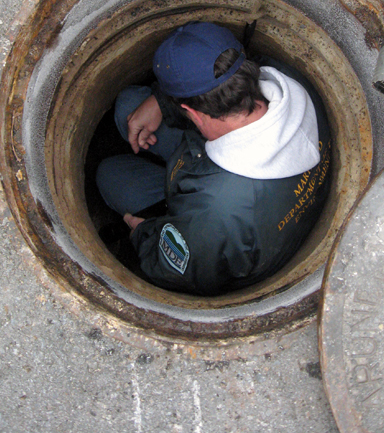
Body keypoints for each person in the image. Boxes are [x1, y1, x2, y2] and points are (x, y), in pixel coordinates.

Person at [96, 21, 331, 296]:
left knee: (109, 176)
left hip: (221, 227)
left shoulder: (215, 217)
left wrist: (143, 234)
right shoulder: (288, 83)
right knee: (129, 105)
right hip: (251, 207)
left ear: (192, 113)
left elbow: (178, 268)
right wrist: (160, 103)